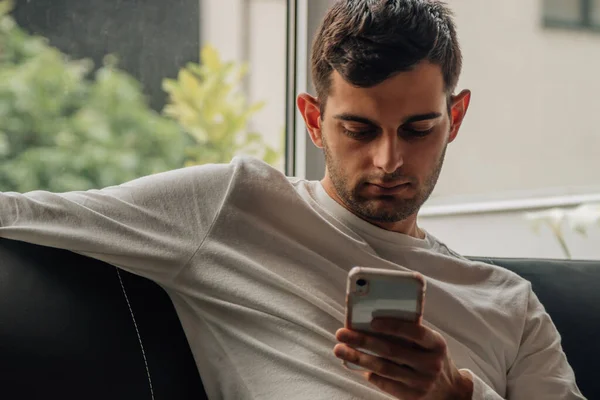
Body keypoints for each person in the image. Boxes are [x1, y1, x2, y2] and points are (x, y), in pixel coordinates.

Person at [0, 0, 584, 399]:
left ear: (455, 118)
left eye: (417, 129)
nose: (388, 161)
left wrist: (455, 395)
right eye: (358, 130)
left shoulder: (511, 306)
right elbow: (27, 211)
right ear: (312, 119)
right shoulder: (233, 206)